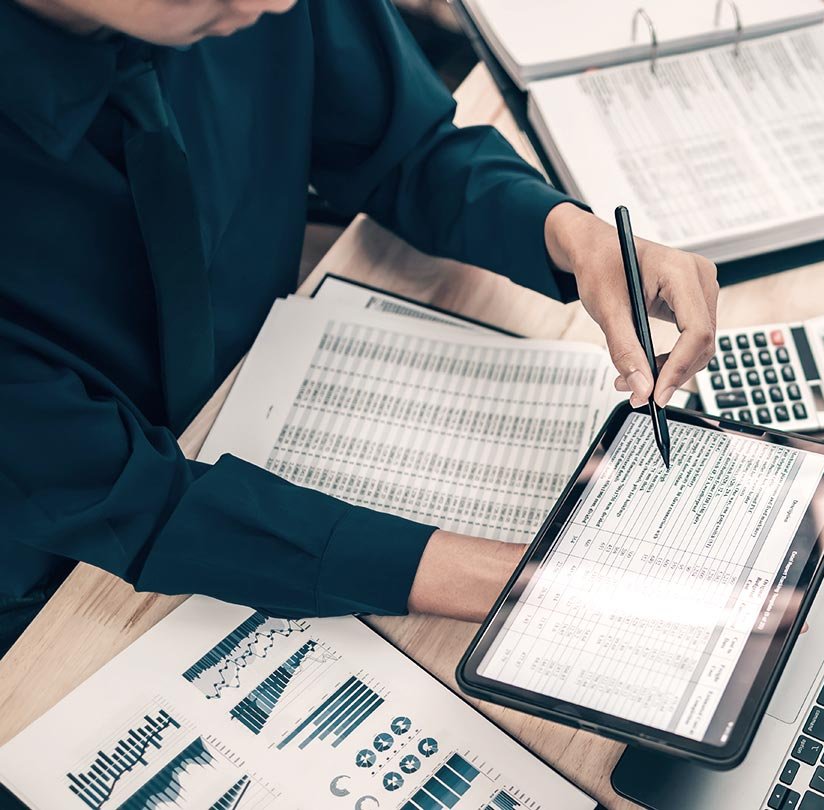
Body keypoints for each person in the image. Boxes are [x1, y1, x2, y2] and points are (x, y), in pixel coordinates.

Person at [0, 0, 718, 656]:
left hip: (271, 399)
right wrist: (534, 578)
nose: (276, 4)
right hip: (58, 582)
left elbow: (401, 146)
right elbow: (131, 499)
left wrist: (567, 235)